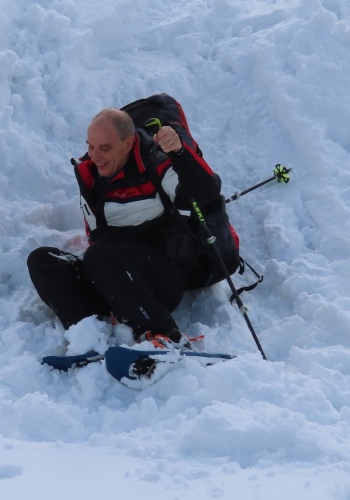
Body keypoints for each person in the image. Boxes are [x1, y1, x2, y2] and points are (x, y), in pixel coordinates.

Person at [27, 107, 225, 346]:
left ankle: (164, 335)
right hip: (112, 280)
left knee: (99, 254)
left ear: (129, 143)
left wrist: (180, 153)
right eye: (90, 147)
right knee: (42, 260)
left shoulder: (156, 164)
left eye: (104, 148)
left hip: (159, 276)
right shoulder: (92, 174)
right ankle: (89, 336)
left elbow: (205, 192)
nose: (94, 156)